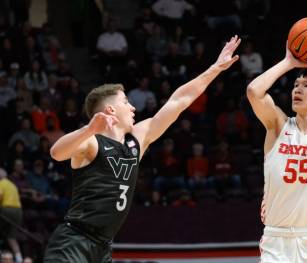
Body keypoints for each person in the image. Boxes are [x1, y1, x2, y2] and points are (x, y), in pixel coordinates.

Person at [43, 35, 240, 263]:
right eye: (126, 101)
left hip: (103, 247)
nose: (133, 106)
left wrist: (215, 68)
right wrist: (88, 129)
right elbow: (56, 153)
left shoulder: (137, 138)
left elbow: (179, 101)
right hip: (74, 241)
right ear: (111, 110)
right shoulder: (92, 142)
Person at [247, 18, 307, 262]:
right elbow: (254, 92)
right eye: (296, 85)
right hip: (276, 241)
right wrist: (288, 62)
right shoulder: (278, 126)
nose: (297, 90)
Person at [0, 168, 23, 263]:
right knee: (11, 237)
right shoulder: (12, 184)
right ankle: (19, 259)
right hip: (18, 211)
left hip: (6, 209)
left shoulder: (1, 183)